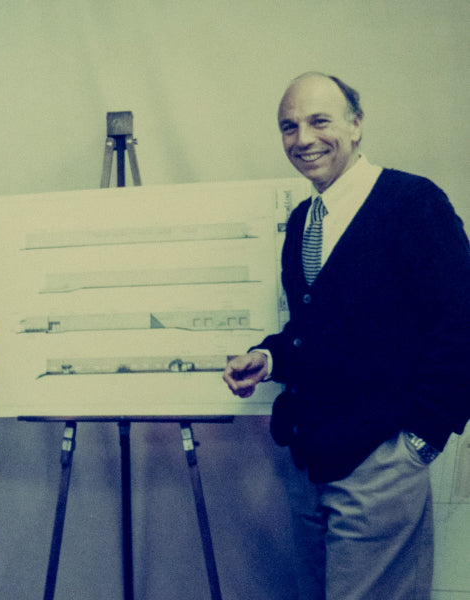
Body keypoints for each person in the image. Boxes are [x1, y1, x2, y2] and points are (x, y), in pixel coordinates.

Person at [223, 72, 470, 599]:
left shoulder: (412, 204)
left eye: (319, 121)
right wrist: (267, 358)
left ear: (356, 126)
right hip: (310, 464)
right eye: (289, 127)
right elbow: (315, 332)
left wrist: (420, 443)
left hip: (380, 464)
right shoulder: (302, 222)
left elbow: (462, 323)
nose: (303, 139)